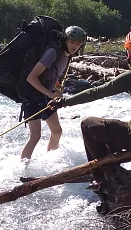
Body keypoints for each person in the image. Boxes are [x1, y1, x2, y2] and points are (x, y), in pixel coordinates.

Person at [52, 29, 131, 187]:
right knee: (110, 137)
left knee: (88, 124)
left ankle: (102, 178)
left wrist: (64, 102)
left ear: (128, 51)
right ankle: (113, 171)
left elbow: (96, 92)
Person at [20, 25, 87, 160]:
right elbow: (31, 78)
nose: (75, 46)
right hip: (31, 96)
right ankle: (23, 169)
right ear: (65, 40)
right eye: (72, 42)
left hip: (45, 97)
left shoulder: (68, 55)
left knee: (57, 131)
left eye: (78, 44)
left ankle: (52, 160)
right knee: (35, 136)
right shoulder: (53, 52)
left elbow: (50, 74)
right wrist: (50, 94)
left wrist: (55, 86)